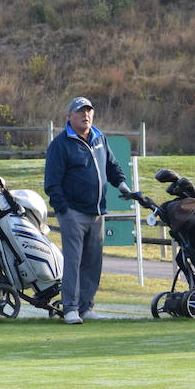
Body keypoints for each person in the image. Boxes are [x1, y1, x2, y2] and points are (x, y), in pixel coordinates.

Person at [43, 96, 126, 325]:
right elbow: (52, 182)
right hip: (72, 212)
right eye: (80, 112)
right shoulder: (61, 144)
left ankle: (86, 306)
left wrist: (122, 184)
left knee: (93, 261)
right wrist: (63, 209)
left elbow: (112, 166)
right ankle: (70, 308)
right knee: (74, 261)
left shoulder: (99, 138)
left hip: (97, 212)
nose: (85, 115)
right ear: (70, 117)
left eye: (89, 111)